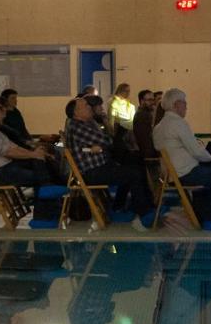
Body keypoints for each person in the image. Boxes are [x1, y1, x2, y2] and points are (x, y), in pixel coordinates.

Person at [151, 88, 211, 230]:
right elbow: (196, 150)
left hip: (172, 173)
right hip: (185, 173)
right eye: (184, 103)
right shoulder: (178, 123)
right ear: (176, 105)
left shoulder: (159, 126)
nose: (186, 106)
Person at [0, 95, 63, 227]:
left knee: (40, 162)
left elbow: (13, 146)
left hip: (6, 166)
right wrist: (32, 154)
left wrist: (35, 153)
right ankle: (43, 215)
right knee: (39, 175)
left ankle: (47, 199)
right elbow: (7, 151)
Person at [64, 97, 155, 228]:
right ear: (76, 112)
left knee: (134, 164)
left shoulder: (87, 123)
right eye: (86, 106)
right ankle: (144, 213)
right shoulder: (77, 126)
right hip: (93, 172)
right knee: (133, 173)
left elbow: (106, 139)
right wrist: (101, 144)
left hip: (101, 166)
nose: (89, 107)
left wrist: (101, 144)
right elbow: (107, 140)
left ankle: (122, 207)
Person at [131, 89, 158, 160]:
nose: (152, 102)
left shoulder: (146, 114)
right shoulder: (142, 115)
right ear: (142, 101)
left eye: (153, 100)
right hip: (148, 154)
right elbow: (146, 138)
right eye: (149, 100)